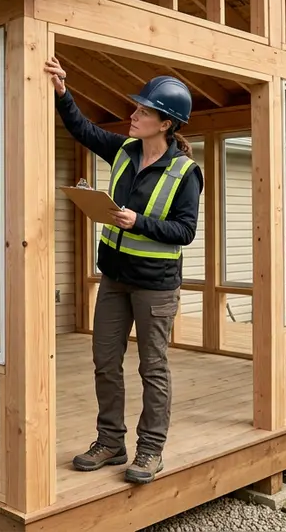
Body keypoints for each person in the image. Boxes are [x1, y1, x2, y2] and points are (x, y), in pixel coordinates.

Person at [44, 55, 204, 485]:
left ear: (166, 123)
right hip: (114, 280)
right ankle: (110, 441)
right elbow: (82, 129)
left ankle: (150, 450)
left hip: (155, 287)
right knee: (104, 362)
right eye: (136, 109)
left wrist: (139, 222)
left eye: (143, 111)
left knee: (152, 369)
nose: (133, 116)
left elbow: (185, 231)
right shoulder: (124, 151)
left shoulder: (185, 172)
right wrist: (63, 91)